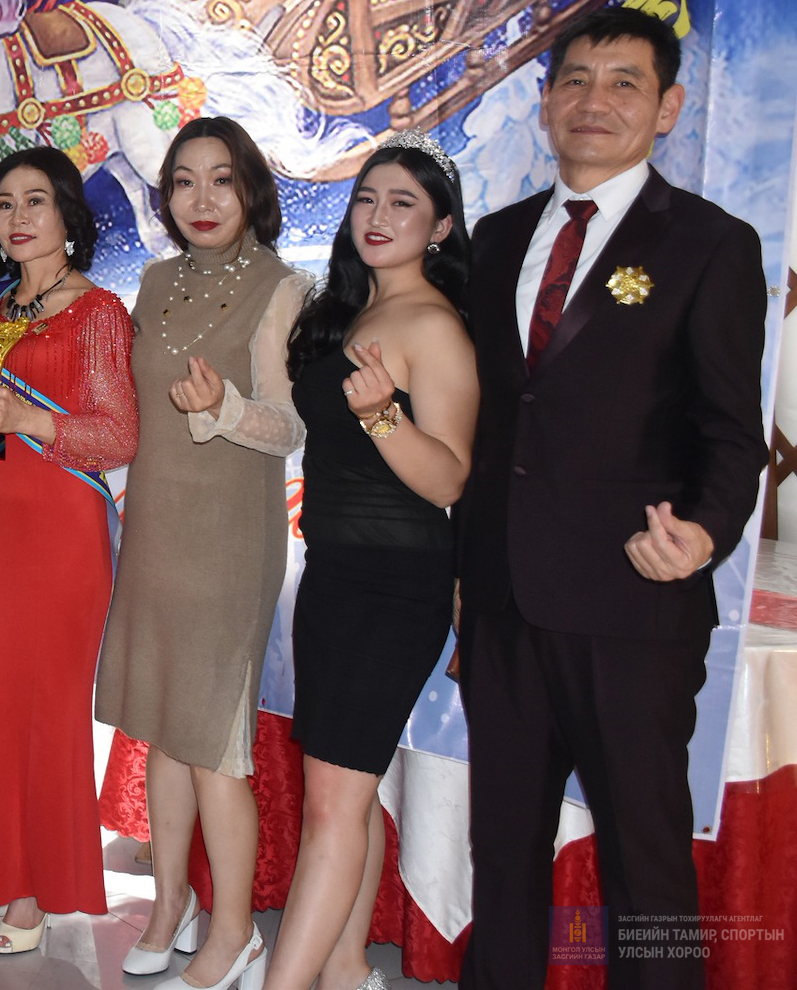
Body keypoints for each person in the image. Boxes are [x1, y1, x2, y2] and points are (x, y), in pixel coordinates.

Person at [457, 8, 765, 990]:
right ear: (546, 101)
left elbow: (732, 430)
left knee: (646, 862)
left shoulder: (709, 243)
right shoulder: (498, 237)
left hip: (634, 605)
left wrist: (705, 531)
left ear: (668, 107)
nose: (596, 101)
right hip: (504, 602)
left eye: (625, 82)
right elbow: (495, 420)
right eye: (576, 80)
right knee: (503, 850)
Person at [94, 117, 313, 986]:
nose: (202, 199)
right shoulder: (153, 282)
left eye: (221, 179)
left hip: (229, 541)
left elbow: (291, 426)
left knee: (216, 745)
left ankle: (236, 931)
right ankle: (170, 901)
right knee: (161, 727)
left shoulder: (283, 287)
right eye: (183, 181)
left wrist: (224, 409)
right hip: (155, 530)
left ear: (250, 188)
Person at [269, 136, 477, 990]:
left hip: (394, 590)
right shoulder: (346, 313)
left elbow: (450, 477)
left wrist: (385, 415)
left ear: (441, 226)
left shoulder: (435, 324)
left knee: (334, 804)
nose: (379, 216)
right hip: (333, 579)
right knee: (343, 797)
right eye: (367, 198)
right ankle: (346, 967)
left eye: (403, 202)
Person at [0, 148, 137, 954]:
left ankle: (34, 890)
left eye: (35, 200)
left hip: (62, 530)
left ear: (67, 215)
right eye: (4, 202)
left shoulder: (98, 311)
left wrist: (27, 418)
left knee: (47, 710)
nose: (17, 217)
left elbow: (119, 435)